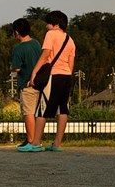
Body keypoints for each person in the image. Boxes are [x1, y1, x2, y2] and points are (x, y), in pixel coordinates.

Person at [19, 10, 76, 153]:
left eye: (48, 23)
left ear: (56, 24)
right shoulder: (70, 40)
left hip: (53, 75)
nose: (46, 26)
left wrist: (35, 71)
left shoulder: (51, 35)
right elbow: (71, 62)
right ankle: (57, 143)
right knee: (62, 109)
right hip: (66, 76)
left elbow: (45, 54)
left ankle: (36, 142)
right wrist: (67, 74)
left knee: (42, 109)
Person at [10, 18, 42, 148]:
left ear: (16, 32)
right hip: (40, 82)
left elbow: (16, 68)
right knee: (37, 114)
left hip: (26, 84)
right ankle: (36, 139)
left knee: (28, 113)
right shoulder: (36, 43)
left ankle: (31, 140)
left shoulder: (18, 49)